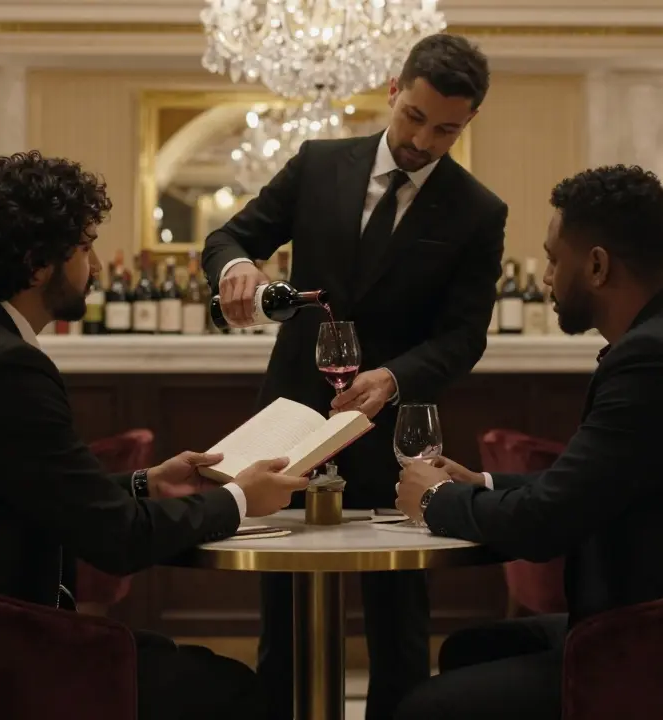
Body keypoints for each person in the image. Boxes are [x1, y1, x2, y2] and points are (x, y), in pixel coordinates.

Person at [0, 151, 308, 720]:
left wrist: (145, 481)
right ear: (39, 263)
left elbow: (34, 488)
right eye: (85, 246)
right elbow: (114, 540)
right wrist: (239, 498)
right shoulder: (2, 366)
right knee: (237, 694)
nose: (92, 265)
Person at [393, 165, 663, 720]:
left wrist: (436, 500)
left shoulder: (659, 359)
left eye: (556, 260)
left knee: (422, 709)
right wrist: (480, 484)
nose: (547, 278)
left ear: (599, 266)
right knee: (471, 649)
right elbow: (585, 486)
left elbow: (550, 520)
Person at [202, 33, 507, 720]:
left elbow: (465, 336)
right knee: (280, 614)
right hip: (292, 422)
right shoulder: (318, 165)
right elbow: (229, 237)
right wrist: (236, 269)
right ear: (394, 91)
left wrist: (394, 377)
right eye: (415, 118)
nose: (424, 141)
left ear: (468, 122)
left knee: (399, 624)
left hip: (395, 431)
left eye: (446, 130)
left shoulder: (478, 211)